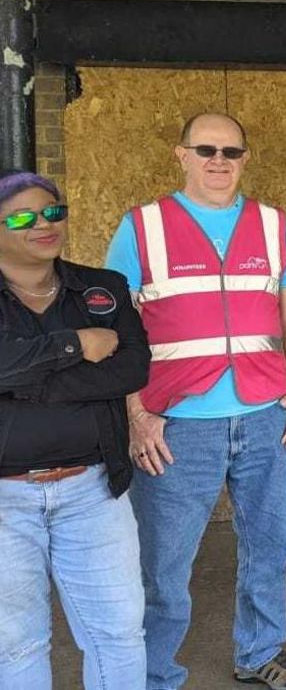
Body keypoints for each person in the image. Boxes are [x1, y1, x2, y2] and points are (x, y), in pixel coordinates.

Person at [107, 113, 286, 690]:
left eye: (231, 150)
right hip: (175, 425)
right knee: (164, 565)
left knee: (270, 547)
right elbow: (113, 326)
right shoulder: (142, 226)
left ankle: (261, 653)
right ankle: (152, 674)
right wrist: (136, 413)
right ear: (182, 155)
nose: (218, 160)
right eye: (206, 149)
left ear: (245, 158)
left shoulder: (274, 226)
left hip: (265, 415)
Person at [0, 171, 149, 690]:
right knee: (15, 642)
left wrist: (28, 384)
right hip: (4, 502)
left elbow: (132, 370)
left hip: (92, 492)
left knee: (120, 634)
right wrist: (73, 347)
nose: (43, 224)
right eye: (22, 216)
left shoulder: (102, 287)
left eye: (52, 212)